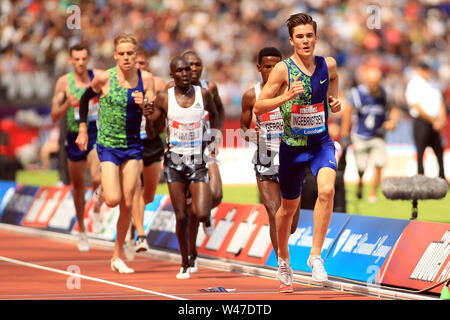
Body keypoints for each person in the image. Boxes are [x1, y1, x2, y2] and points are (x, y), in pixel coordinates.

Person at [254, 13, 342, 292]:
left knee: (326, 191)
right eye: (300, 37)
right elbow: (259, 106)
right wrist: (287, 96)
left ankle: (315, 256)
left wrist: (334, 100)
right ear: (291, 40)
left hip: (321, 144)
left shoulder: (328, 64)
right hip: (292, 148)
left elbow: (334, 81)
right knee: (287, 210)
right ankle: (283, 259)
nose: (305, 41)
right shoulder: (282, 70)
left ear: (316, 38)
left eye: (309, 36)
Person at [76, 34, 156, 273]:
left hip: (133, 147)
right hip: (109, 146)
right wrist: (83, 129)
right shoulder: (104, 78)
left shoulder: (146, 78)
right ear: (115, 55)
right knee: (113, 199)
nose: (126, 58)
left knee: (128, 202)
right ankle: (101, 193)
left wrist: (146, 105)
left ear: (135, 55)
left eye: (130, 53)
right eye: (121, 54)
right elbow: (84, 99)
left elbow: (152, 112)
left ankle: (116, 256)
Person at [144, 56, 217, 279]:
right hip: (174, 161)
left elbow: (215, 113)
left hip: (197, 159)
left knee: (202, 211)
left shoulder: (203, 94)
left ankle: (205, 221)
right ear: (172, 75)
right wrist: (148, 118)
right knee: (182, 216)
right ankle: (185, 261)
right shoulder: (164, 98)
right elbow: (152, 132)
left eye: (188, 70)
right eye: (180, 71)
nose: (186, 73)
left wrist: (213, 139)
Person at [167, 50, 223, 273]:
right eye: (188, 65)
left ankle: (205, 216)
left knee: (216, 194)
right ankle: (191, 252)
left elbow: (218, 110)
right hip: (179, 155)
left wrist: (215, 135)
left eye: (197, 65)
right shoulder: (172, 93)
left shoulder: (209, 88)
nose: (193, 69)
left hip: (204, 149)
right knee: (186, 212)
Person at [240, 47, 300, 256]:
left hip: (290, 156)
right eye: (267, 67)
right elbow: (243, 129)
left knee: (290, 222)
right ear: (259, 68)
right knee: (274, 213)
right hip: (265, 155)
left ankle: (283, 252)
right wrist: (250, 135)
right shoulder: (251, 96)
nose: (272, 70)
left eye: (276, 66)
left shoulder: (293, 92)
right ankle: (282, 265)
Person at [50, 44, 103, 251]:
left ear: (88, 59)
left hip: (94, 132)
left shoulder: (98, 77)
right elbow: (54, 115)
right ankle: (82, 229)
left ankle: (97, 209)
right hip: (73, 137)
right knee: (79, 186)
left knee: (98, 176)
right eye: (77, 59)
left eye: (84, 59)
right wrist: (67, 103)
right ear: (70, 60)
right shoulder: (64, 82)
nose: (80, 63)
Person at [125, 45, 167, 259]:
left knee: (148, 194)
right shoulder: (123, 84)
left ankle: (132, 228)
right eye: (136, 63)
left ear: (147, 65)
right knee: (135, 188)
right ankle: (141, 235)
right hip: (131, 141)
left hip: (151, 142)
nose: (139, 67)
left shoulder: (158, 84)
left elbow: (164, 113)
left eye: (143, 63)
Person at [341, 65, 398, 203]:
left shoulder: (385, 93)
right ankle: (360, 181)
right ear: (366, 81)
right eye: (371, 83)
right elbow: (348, 112)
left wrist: (393, 122)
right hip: (360, 136)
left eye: (376, 83)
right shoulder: (357, 93)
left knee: (379, 163)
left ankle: (373, 193)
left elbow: (393, 108)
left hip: (378, 135)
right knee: (361, 166)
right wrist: (344, 133)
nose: (373, 86)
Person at [405, 61, 447, 180]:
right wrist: (433, 120)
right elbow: (416, 106)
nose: (427, 72)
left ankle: (442, 177)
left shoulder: (433, 84)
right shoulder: (414, 84)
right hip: (421, 122)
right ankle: (421, 177)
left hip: (435, 123)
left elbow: (440, 103)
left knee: (439, 151)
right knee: (421, 150)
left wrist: (441, 119)